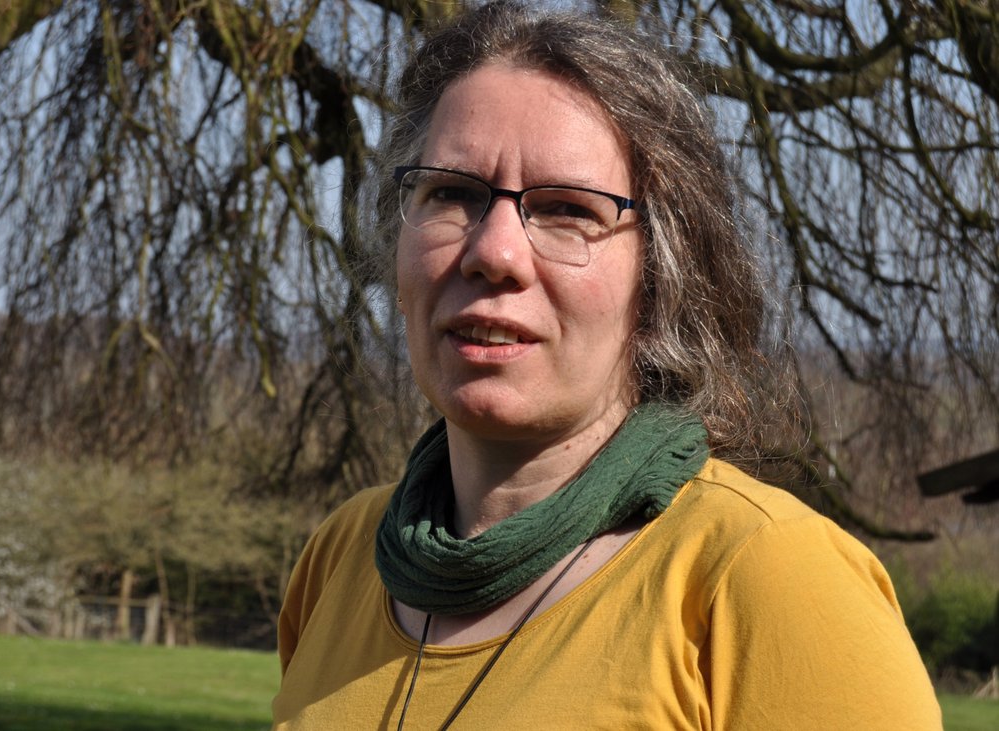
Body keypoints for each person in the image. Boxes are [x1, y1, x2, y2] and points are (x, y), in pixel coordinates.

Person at [270, 2, 941, 728]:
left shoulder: (769, 576)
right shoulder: (341, 559)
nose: (494, 252)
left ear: (662, 276)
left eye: (566, 209)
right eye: (452, 193)